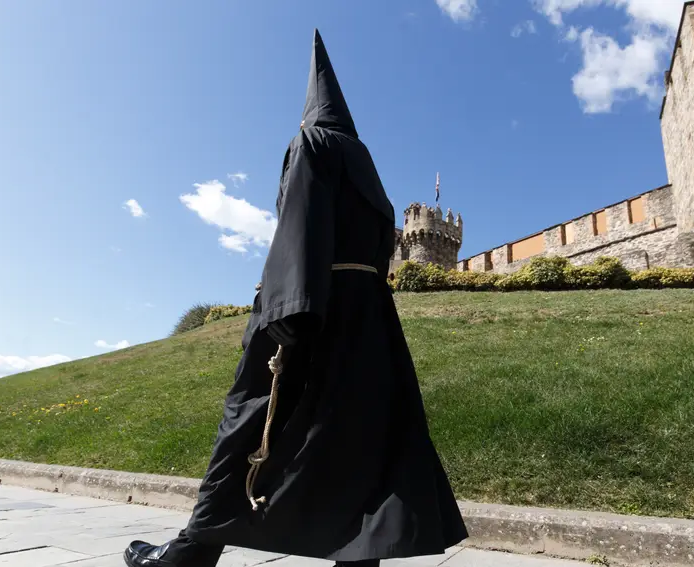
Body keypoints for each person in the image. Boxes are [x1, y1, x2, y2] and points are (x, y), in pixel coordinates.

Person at [124, 28, 468, 567]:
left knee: (248, 420)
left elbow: (299, 222)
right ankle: (359, 558)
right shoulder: (371, 173)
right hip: (371, 320)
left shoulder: (311, 143)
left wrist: (286, 309)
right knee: (360, 435)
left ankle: (191, 552)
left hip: (314, 307)